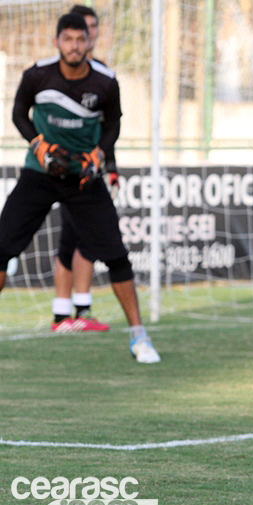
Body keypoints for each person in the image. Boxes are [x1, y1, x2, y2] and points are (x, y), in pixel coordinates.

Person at [1, 13, 160, 363]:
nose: (75, 45)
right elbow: (17, 113)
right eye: (68, 39)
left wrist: (100, 154)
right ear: (57, 41)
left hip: (84, 180)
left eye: (80, 39)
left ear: (89, 41)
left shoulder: (105, 81)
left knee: (117, 256)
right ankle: (65, 313)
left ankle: (139, 337)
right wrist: (38, 144)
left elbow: (113, 124)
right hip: (39, 176)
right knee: (1, 249)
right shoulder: (37, 75)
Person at [49, 4, 118, 333]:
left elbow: (109, 128)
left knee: (80, 240)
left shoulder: (102, 75)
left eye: (90, 28)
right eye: (78, 31)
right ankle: (68, 315)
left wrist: (110, 165)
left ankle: (69, 314)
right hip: (62, 170)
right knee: (76, 239)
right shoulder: (54, 73)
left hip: (91, 170)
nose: (85, 36)